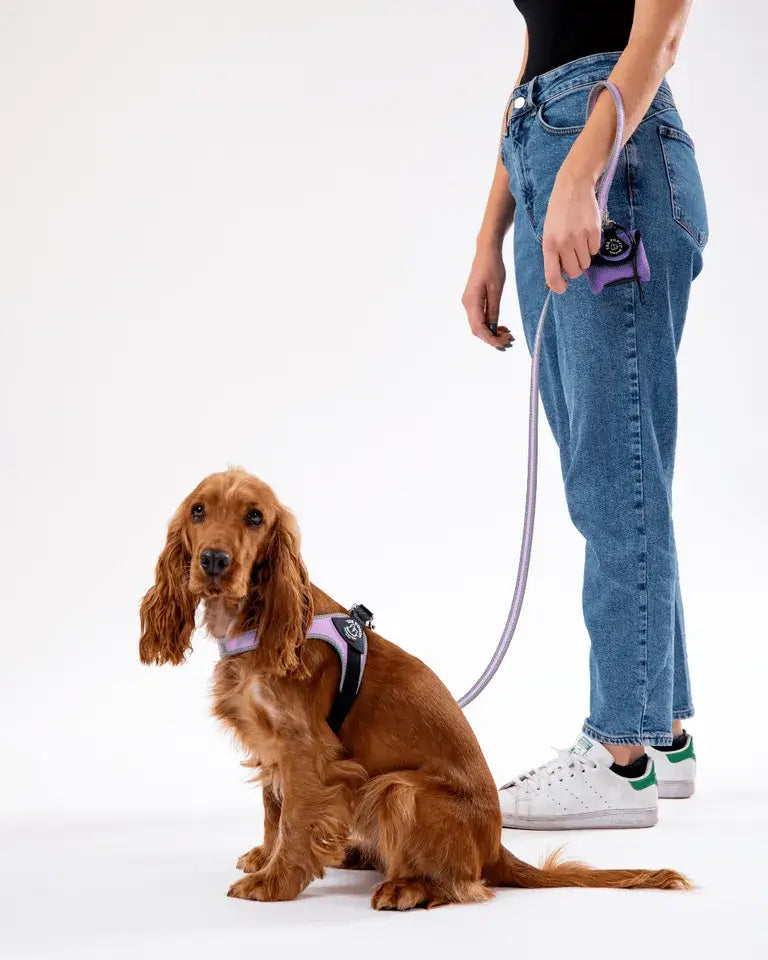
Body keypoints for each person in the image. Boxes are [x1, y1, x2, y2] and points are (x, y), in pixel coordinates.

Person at [462, 0, 706, 829]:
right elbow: (538, 49)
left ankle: (618, 756)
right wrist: (490, 236)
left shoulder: (598, 157)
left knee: (618, 467)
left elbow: (662, 30)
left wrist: (582, 169)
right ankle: (661, 732)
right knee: (610, 466)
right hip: (547, 153)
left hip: (612, 158)